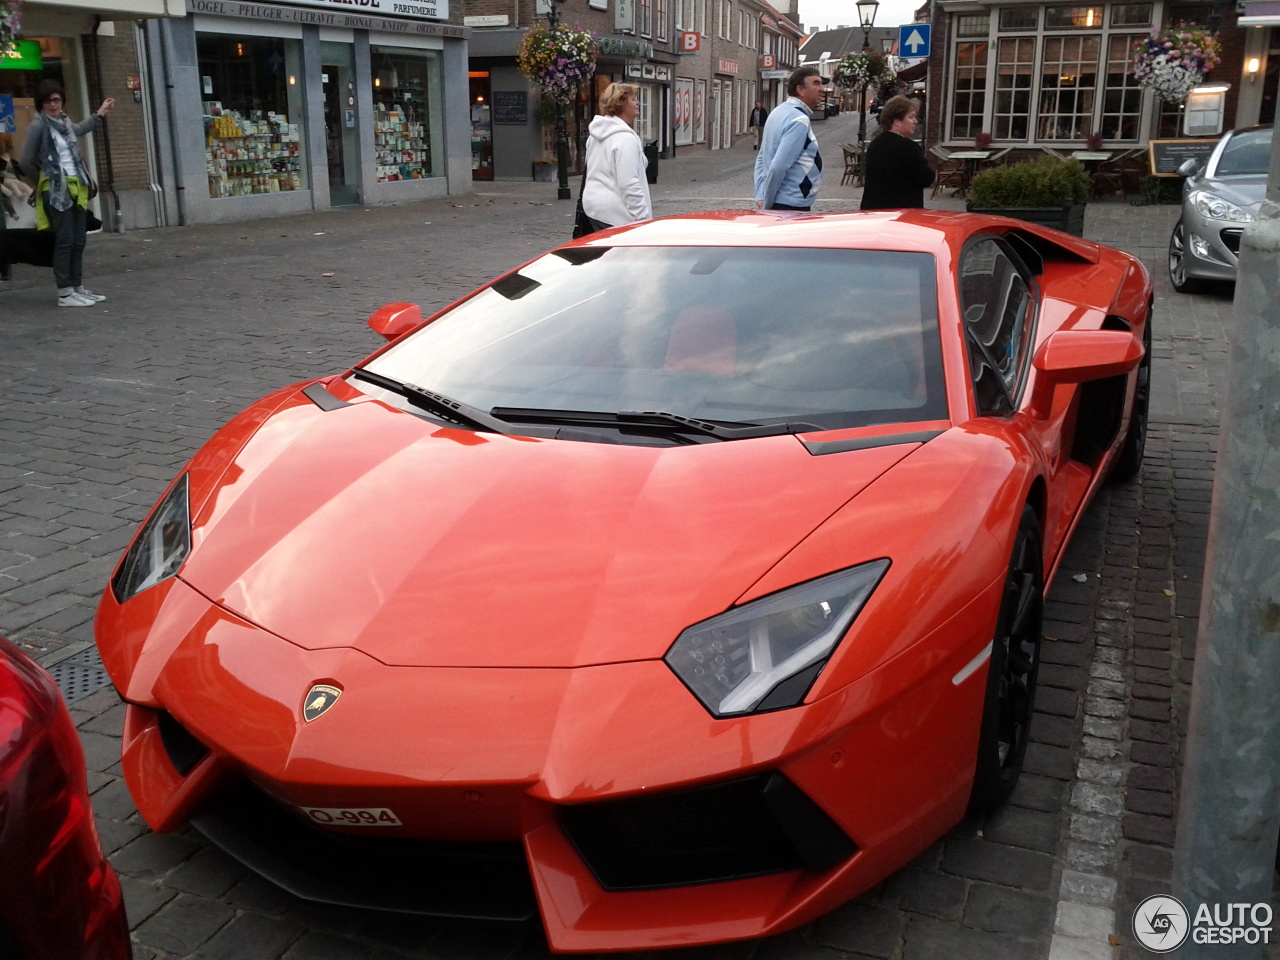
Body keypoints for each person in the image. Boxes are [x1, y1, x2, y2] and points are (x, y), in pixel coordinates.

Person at [16, 80, 115, 307]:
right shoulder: (38, 126)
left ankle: (77, 287)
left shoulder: (64, 122)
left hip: (76, 187)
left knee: (79, 239)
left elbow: (80, 129)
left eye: (56, 100)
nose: (52, 105)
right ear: (40, 103)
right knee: (65, 240)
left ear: (62, 101)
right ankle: (65, 292)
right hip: (56, 190)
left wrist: (99, 113)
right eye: (47, 101)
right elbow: (25, 161)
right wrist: (44, 181)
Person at [754, 66, 827, 212]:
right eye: (816, 83)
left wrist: (760, 195)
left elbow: (761, 158)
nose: (822, 89)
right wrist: (767, 204)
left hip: (785, 201)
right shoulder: (799, 120)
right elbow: (778, 166)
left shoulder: (777, 112)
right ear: (800, 90)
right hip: (791, 203)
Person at [581, 82, 652, 230]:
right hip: (617, 213)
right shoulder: (625, 139)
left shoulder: (595, 135)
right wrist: (643, 219)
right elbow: (629, 183)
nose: (638, 102)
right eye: (633, 99)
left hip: (595, 209)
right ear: (621, 104)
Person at [860, 95, 935, 211]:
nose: (915, 122)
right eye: (911, 117)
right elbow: (926, 178)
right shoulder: (908, 147)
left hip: (873, 212)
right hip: (901, 213)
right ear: (896, 122)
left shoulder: (875, 144)